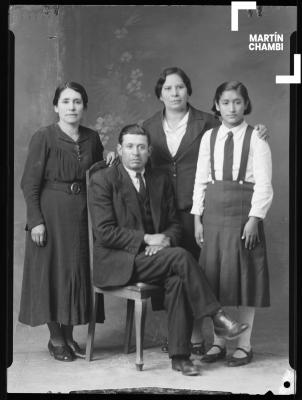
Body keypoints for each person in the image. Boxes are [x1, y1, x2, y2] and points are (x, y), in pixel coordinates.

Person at [88, 123, 249, 376]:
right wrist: (147, 239)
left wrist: (163, 239)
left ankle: (180, 357)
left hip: (157, 257)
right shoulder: (103, 180)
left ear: (150, 151)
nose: (135, 152)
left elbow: (175, 224)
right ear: (119, 149)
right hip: (118, 261)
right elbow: (104, 231)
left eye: (141, 147)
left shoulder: (159, 179)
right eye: (129, 146)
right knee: (181, 258)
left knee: (176, 279)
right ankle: (217, 316)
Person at [143, 67, 269, 355]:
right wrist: (113, 153)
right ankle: (182, 336)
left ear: (189, 90)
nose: (174, 93)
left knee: (209, 275)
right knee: (179, 276)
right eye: (168, 88)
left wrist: (261, 130)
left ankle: (211, 339)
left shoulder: (209, 123)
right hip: (168, 212)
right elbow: (132, 148)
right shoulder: (148, 126)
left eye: (180, 87)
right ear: (160, 93)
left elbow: (237, 129)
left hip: (204, 210)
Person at [19, 81, 116, 362]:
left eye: (77, 102)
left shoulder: (92, 137)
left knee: (76, 272)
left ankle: (70, 335)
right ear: (56, 107)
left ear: (84, 107)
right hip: (50, 213)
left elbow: (98, 181)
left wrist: (108, 160)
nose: (71, 107)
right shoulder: (44, 136)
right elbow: (29, 182)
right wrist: (35, 220)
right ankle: (55, 338)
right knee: (51, 273)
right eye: (66, 101)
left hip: (83, 215)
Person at [191, 81, 273, 367]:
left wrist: (254, 219)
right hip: (213, 213)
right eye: (225, 102)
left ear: (245, 104)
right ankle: (219, 343)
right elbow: (201, 179)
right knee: (215, 279)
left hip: (243, 214)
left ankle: (245, 345)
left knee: (245, 277)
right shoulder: (208, 137)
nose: (231, 108)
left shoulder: (256, 138)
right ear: (216, 105)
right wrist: (197, 218)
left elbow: (264, 183)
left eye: (237, 102)